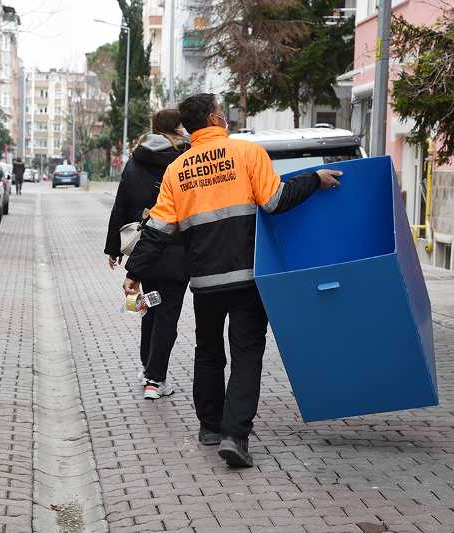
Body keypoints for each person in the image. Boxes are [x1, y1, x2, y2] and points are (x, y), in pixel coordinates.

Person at [123, 94, 342, 467]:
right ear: (214, 118)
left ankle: (209, 426)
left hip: (205, 282)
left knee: (208, 351)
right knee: (246, 355)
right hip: (248, 279)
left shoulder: (177, 170)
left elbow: (158, 230)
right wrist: (313, 180)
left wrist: (134, 273)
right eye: (221, 111)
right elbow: (275, 201)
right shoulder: (247, 154)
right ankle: (235, 436)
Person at [105, 109, 190, 400]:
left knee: (150, 308)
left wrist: (114, 249)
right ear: (178, 128)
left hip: (144, 253)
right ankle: (155, 380)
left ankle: (146, 368)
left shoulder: (136, 159)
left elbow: (121, 205)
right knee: (167, 316)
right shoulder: (186, 160)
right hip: (178, 251)